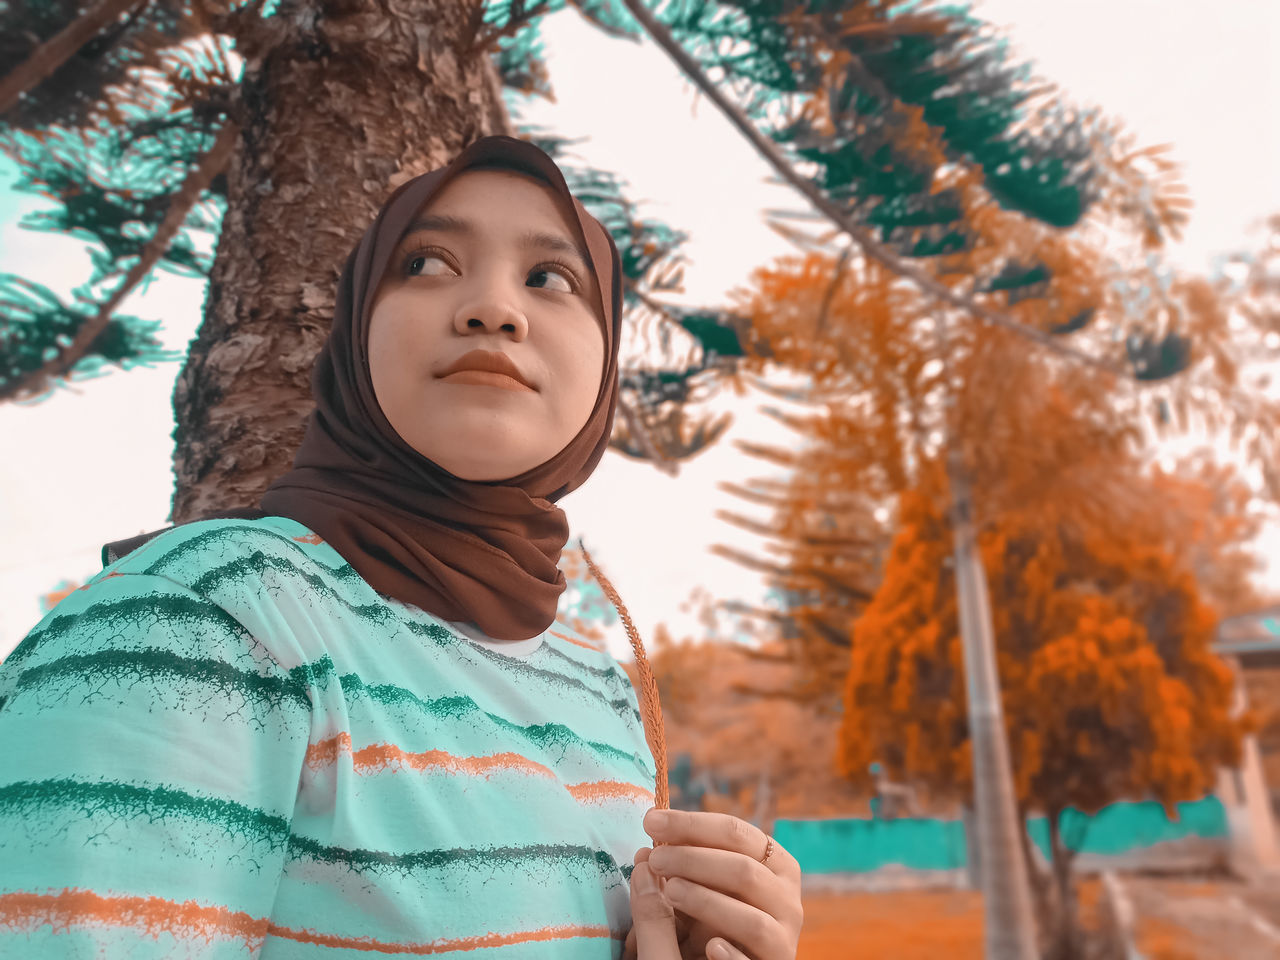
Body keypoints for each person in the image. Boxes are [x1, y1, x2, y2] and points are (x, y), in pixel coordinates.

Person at [0, 135, 802, 958]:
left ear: (606, 368)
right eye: (425, 264)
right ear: (354, 333)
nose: (494, 309)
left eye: (550, 279)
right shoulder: (198, 624)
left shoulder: (599, 688)